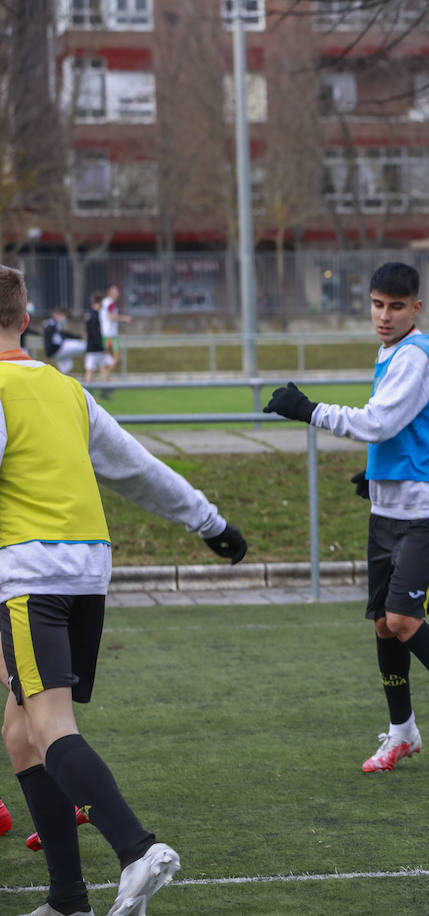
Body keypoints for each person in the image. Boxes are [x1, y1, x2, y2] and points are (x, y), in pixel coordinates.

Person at [0, 264, 249, 916]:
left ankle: (138, 849)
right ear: (27, 321)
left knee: (51, 727)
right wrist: (211, 522)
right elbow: (137, 468)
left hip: (28, 575)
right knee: (22, 731)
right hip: (88, 571)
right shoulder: (67, 389)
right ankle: (66, 900)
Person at [262, 262, 429, 775]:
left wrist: (309, 410)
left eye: (396, 306)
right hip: (389, 506)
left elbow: (379, 421)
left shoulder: (415, 354)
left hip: (427, 510)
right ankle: (402, 733)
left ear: (416, 308)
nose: (384, 315)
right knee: (383, 627)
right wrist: (375, 476)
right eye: (377, 304)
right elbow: (402, 432)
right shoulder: (391, 352)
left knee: (405, 620)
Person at [82, 294, 112, 394]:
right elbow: (95, 333)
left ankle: (103, 390)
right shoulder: (95, 316)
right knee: (92, 370)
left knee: (102, 367)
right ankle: (90, 392)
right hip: (95, 348)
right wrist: (101, 347)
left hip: (92, 348)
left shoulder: (90, 315)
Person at [43, 309, 87, 376]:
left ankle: (62, 382)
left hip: (54, 352)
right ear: (55, 315)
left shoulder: (55, 324)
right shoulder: (52, 323)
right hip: (56, 349)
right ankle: (91, 347)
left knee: (66, 368)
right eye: (62, 315)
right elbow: (51, 335)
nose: (63, 318)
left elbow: (64, 334)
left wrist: (78, 336)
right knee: (82, 345)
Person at [98, 286, 129, 371]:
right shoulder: (110, 302)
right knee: (116, 357)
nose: (118, 293)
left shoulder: (105, 302)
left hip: (105, 334)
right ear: (110, 292)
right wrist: (124, 318)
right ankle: (105, 377)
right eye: (116, 290)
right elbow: (111, 316)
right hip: (110, 335)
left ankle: (104, 378)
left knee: (106, 359)